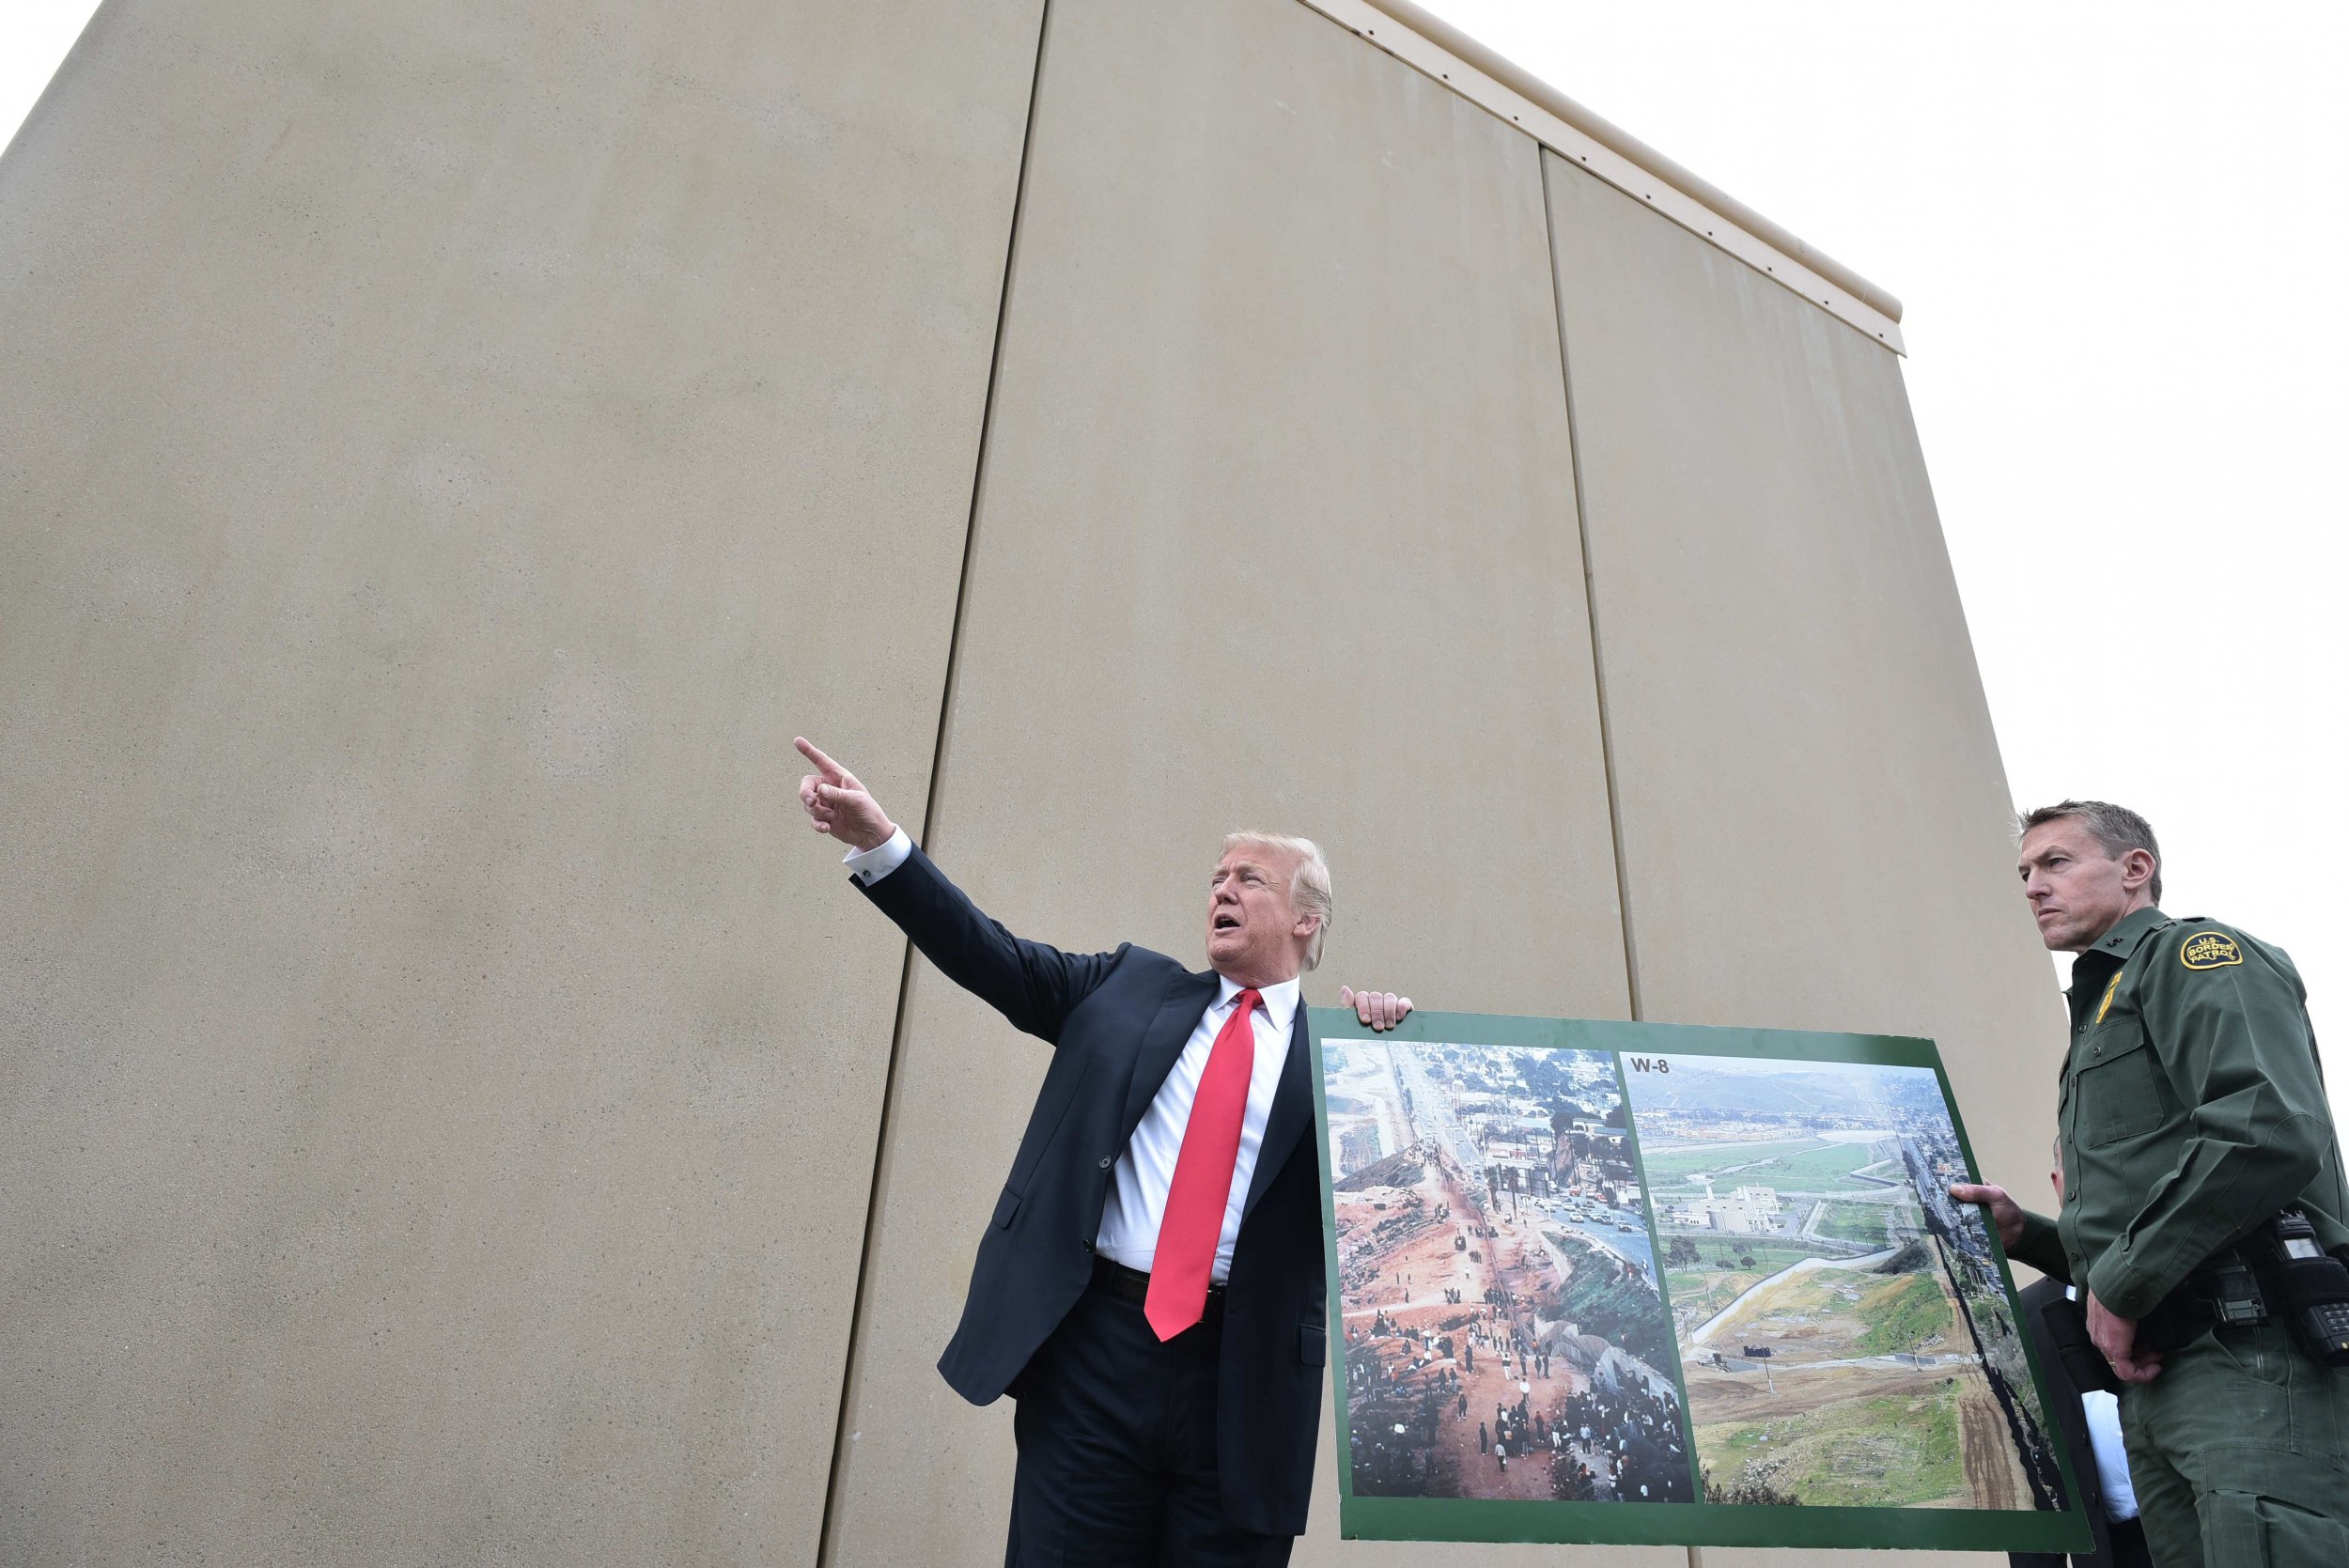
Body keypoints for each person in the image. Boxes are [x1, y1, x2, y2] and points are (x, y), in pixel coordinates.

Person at [795, 738, 1412, 1566]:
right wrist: (882, 846)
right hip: (1097, 1357)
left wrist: (1397, 1044)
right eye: (1216, 879)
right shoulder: (1127, 987)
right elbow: (992, 955)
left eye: (1249, 879)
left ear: (1308, 919)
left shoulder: (1344, 1055)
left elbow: (1412, 1182)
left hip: (1248, 1379)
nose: (1222, 889)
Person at [1952, 800, 2349, 1566]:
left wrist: (2124, 1283)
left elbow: (2266, 1129)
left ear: (2136, 869)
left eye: (2056, 862)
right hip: (2159, 1379)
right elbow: (2135, 1225)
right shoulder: (2098, 1011)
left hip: (2250, 1357)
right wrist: (2029, 1233)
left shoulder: (2194, 954)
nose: (2033, 885)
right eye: (2025, 871)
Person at [2012, 1141, 2154, 1568]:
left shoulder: (2189, 1288)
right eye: (2081, 1171)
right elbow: (2027, 1468)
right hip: (2105, 1552)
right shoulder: (2020, 1318)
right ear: (2058, 1185)